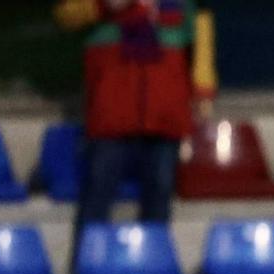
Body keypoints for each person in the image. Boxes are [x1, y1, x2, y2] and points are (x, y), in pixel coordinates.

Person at [58, 0, 215, 247]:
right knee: (98, 191)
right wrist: (103, 5)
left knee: (160, 194)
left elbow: (200, 43)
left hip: (165, 113)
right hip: (112, 114)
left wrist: (204, 91)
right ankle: (86, 268)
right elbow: (66, 16)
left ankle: (152, 267)